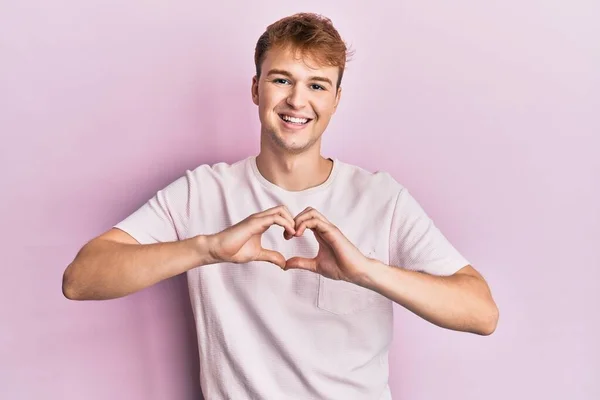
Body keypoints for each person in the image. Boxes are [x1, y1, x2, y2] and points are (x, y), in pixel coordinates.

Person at [62, 12, 499, 400]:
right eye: (281, 79)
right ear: (256, 89)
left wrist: (366, 271)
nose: (297, 100)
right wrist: (208, 248)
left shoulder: (382, 199)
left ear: (335, 100)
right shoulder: (202, 192)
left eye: (316, 85)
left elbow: (481, 312)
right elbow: (81, 279)